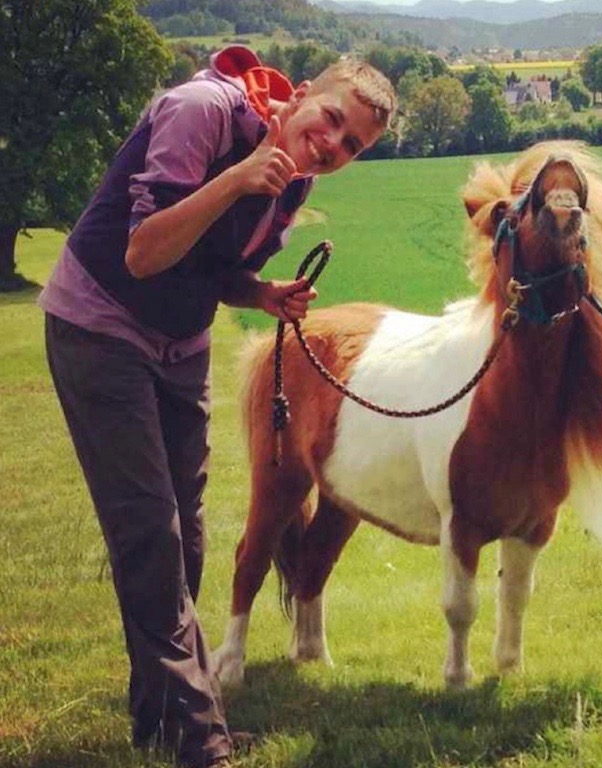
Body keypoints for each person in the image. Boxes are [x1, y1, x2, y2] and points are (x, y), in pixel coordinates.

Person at [39, 46, 396, 767]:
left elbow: (213, 269)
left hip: (180, 344)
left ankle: (159, 718)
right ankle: (202, 739)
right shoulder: (199, 111)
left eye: (353, 146)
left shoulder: (292, 185)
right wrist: (237, 178)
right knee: (150, 534)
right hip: (100, 327)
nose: (333, 144)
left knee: (186, 541)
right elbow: (144, 253)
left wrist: (260, 294)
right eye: (332, 119)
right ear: (301, 94)